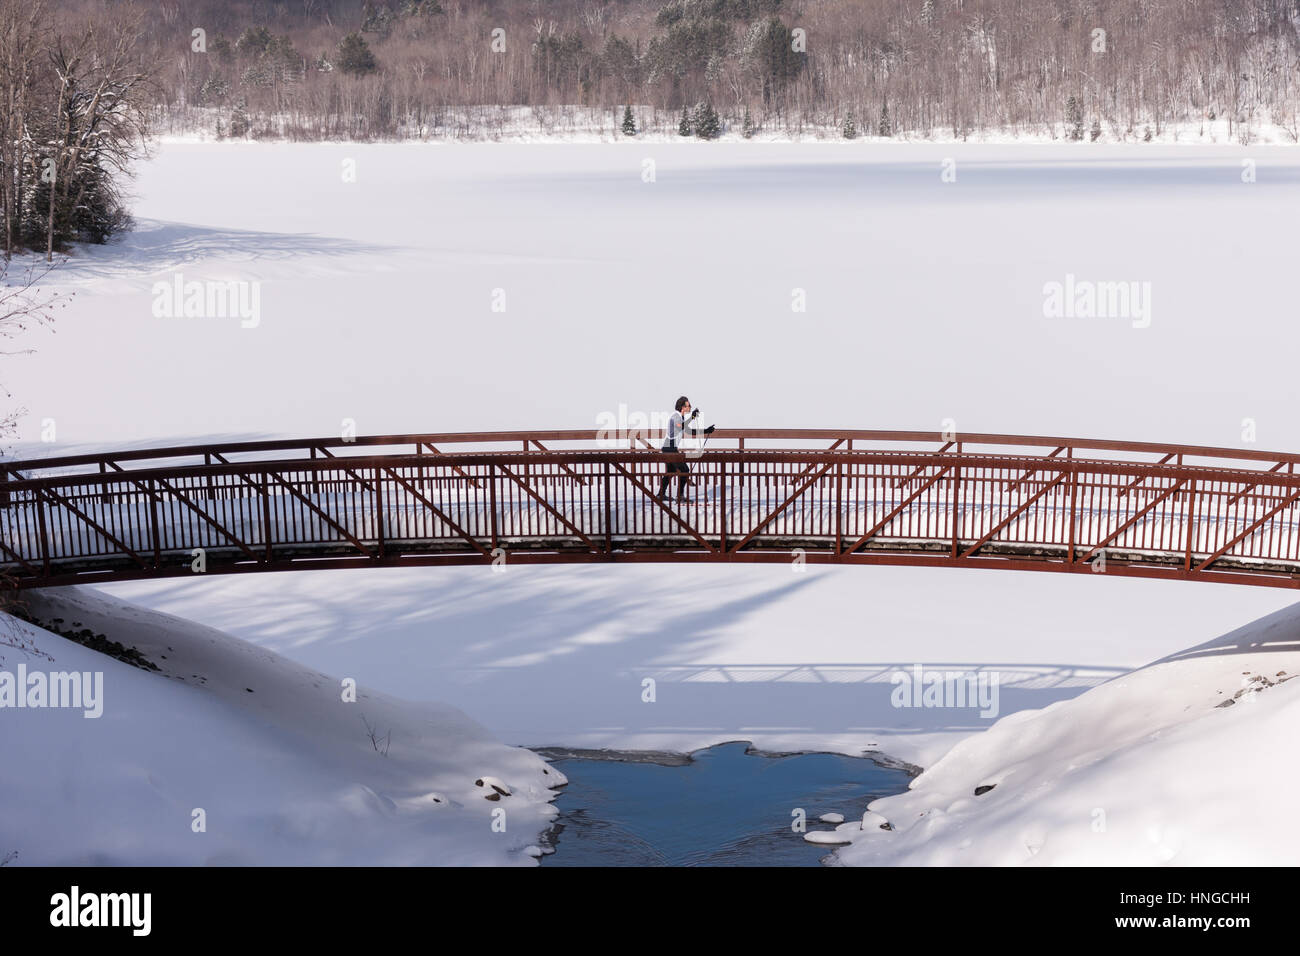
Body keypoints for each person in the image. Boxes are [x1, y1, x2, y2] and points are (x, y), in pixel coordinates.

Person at [657, 396, 714, 502]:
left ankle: (661, 494)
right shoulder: (676, 416)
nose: (690, 407)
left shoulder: (681, 417)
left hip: (669, 448)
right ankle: (680, 496)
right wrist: (692, 417)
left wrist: (706, 430)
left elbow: (689, 430)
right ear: (683, 407)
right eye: (689, 406)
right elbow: (681, 426)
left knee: (671, 471)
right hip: (669, 449)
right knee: (685, 470)